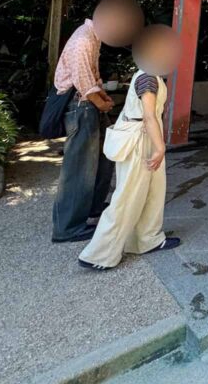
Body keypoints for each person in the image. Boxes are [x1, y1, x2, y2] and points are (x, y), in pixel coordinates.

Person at [79, 25, 182, 270]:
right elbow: (148, 115)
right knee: (128, 197)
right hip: (140, 140)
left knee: (152, 193)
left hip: (145, 135)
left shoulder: (150, 73)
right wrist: (160, 148)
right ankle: (99, 254)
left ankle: (147, 239)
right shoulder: (148, 77)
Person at [52, 0, 144, 243]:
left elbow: (92, 76)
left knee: (102, 160)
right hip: (79, 106)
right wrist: (102, 102)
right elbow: (83, 82)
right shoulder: (84, 40)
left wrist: (103, 98)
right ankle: (68, 228)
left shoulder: (93, 37)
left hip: (87, 104)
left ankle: (92, 208)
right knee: (80, 167)